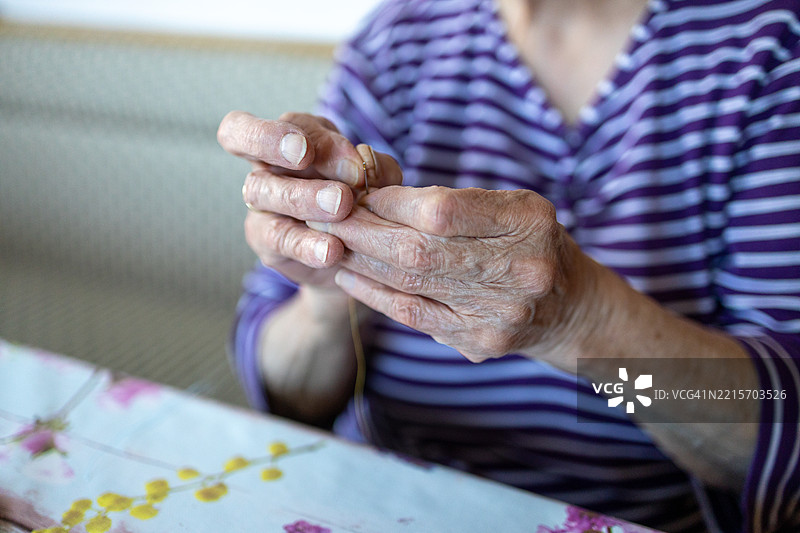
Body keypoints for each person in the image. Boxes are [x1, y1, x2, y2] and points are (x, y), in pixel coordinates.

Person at [217, 0, 800, 531]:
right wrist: (331, 291)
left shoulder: (766, 46)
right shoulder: (395, 44)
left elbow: (782, 420)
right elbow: (284, 391)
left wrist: (581, 324)